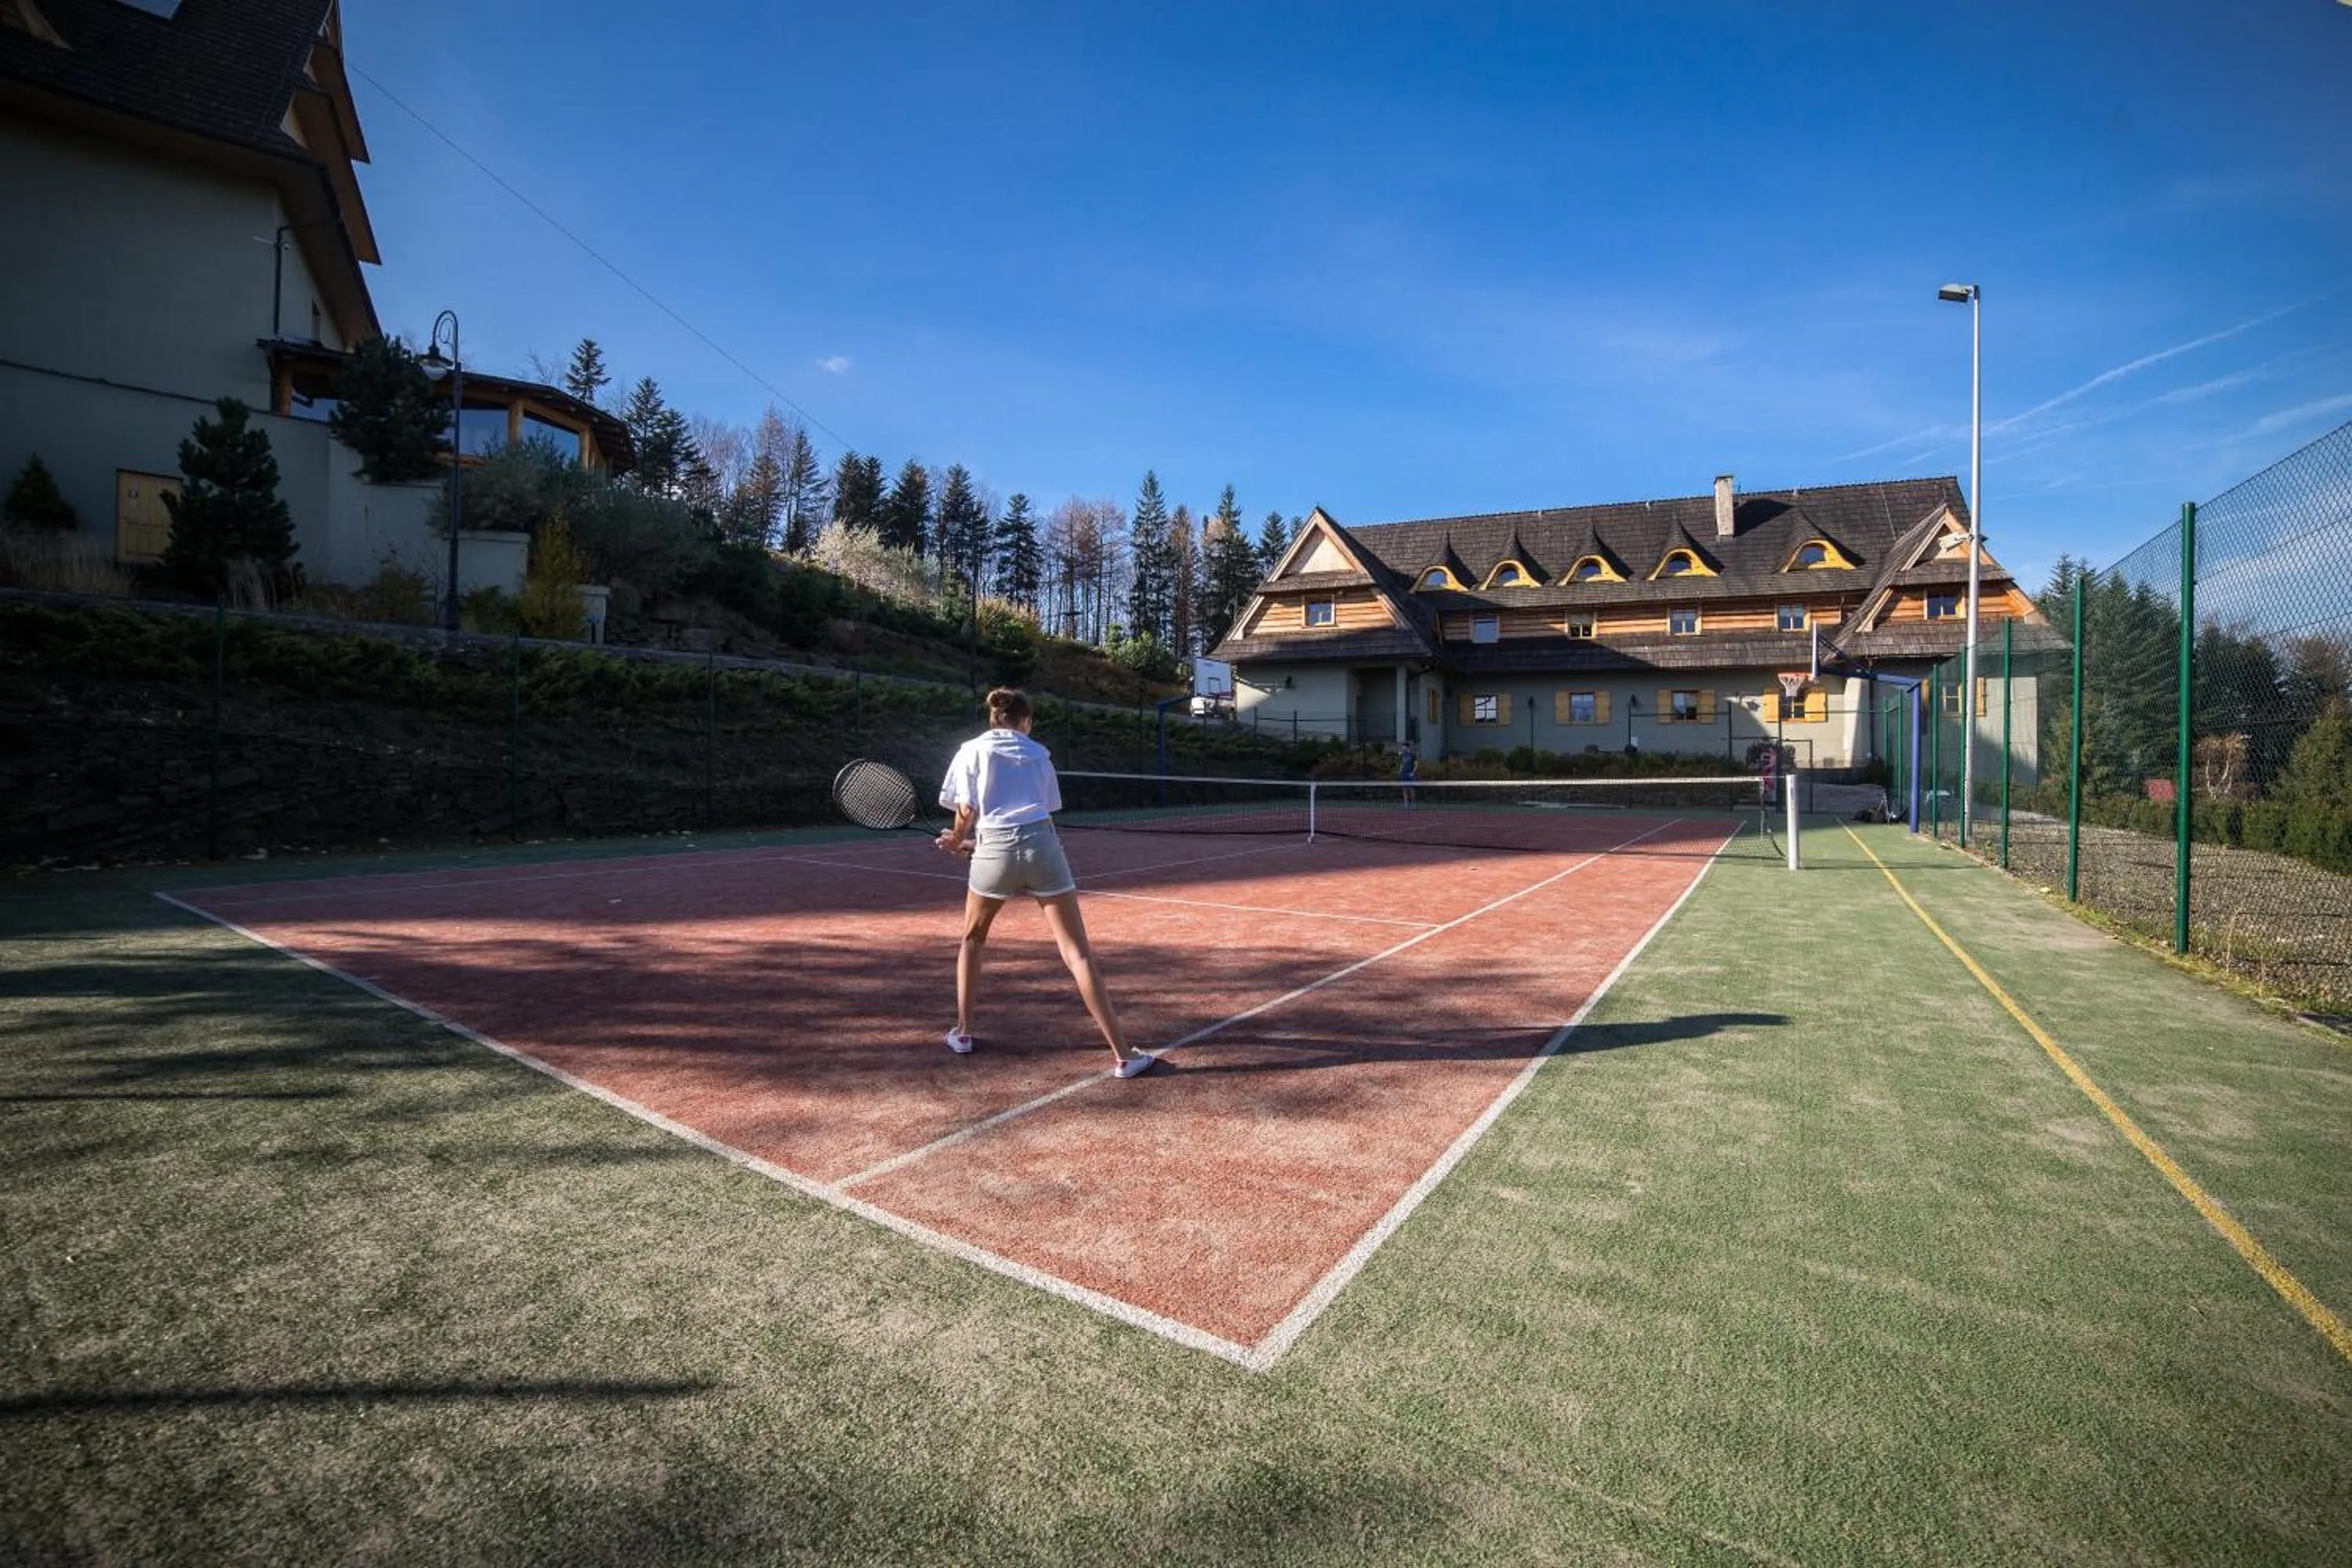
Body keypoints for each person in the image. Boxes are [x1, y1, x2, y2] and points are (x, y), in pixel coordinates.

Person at [935, 688, 1156, 1077]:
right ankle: (1123, 1055)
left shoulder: (971, 749)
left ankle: (964, 1033)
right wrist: (975, 842)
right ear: (1026, 721)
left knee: (973, 938)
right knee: (1077, 953)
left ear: (994, 718)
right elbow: (1035, 815)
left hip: (993, 850)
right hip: (1044, 846)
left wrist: (959, 839)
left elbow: (968, 811)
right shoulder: (1040, 754)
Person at [1396, 737, 1417, 806]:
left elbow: (1416, 765)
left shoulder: (1413, 755)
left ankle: (1413, 803)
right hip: (1403, 774)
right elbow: (1402, 764)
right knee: (1404, 789)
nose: (1403, 748)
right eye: (1403, 747)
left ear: (1407, 747)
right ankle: (1406, 803)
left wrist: (1413, 773)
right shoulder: (1402, 755)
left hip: (1410, 774)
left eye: (1404, 746)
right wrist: (1400, 771)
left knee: (1411, 789)